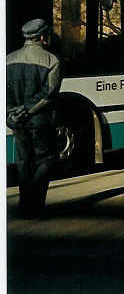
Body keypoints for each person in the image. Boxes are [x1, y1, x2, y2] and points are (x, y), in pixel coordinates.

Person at [6, 18, 62, 218]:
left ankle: (24, 204)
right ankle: (34, 203)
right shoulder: (51, 61)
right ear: (42, 37)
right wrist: (29, 111)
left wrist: (13, 112)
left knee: (23, 161)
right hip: (40, 121)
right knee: (46, 159)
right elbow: (48, 95)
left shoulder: (8, 59)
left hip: (16, 121)